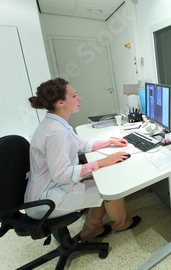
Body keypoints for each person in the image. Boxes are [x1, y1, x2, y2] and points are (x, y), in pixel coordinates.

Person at [25, 78, 140, 243]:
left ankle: (92, 230)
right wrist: (101, 162)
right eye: (74, 96)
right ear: (60, 102)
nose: (79, 99)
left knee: (100, 177)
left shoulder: (55, 122)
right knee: (108, 187)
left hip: (49, 187)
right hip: (47, 200)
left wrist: (109, 141)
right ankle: (121, 224)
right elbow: (61, 175)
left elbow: (79, 144)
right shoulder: (55, 132)